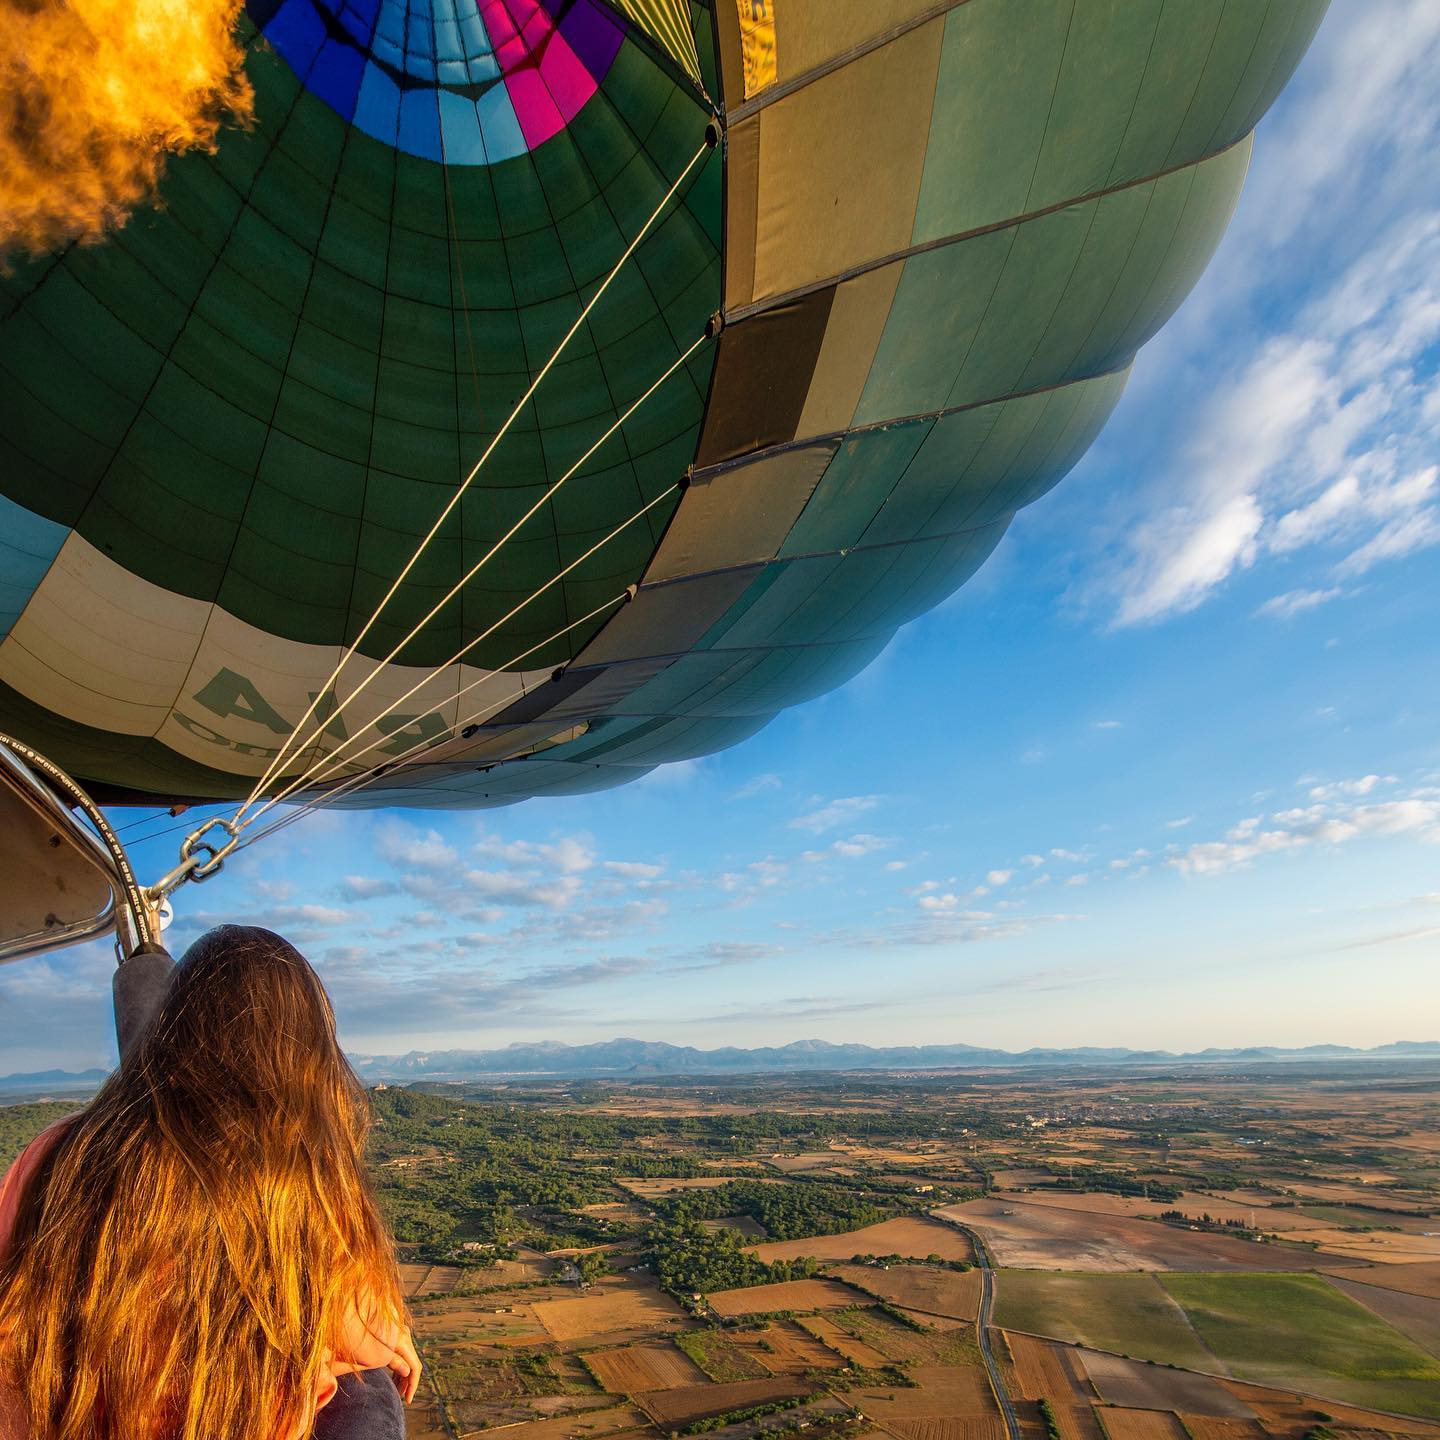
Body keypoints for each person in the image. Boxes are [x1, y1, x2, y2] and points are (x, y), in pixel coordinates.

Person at [0, 925, 422, 1440]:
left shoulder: (57, 1151)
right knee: (371, 1383)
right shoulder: (287, 1175)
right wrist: (390, 1326)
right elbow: (361, 1331)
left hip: (58, 1417)